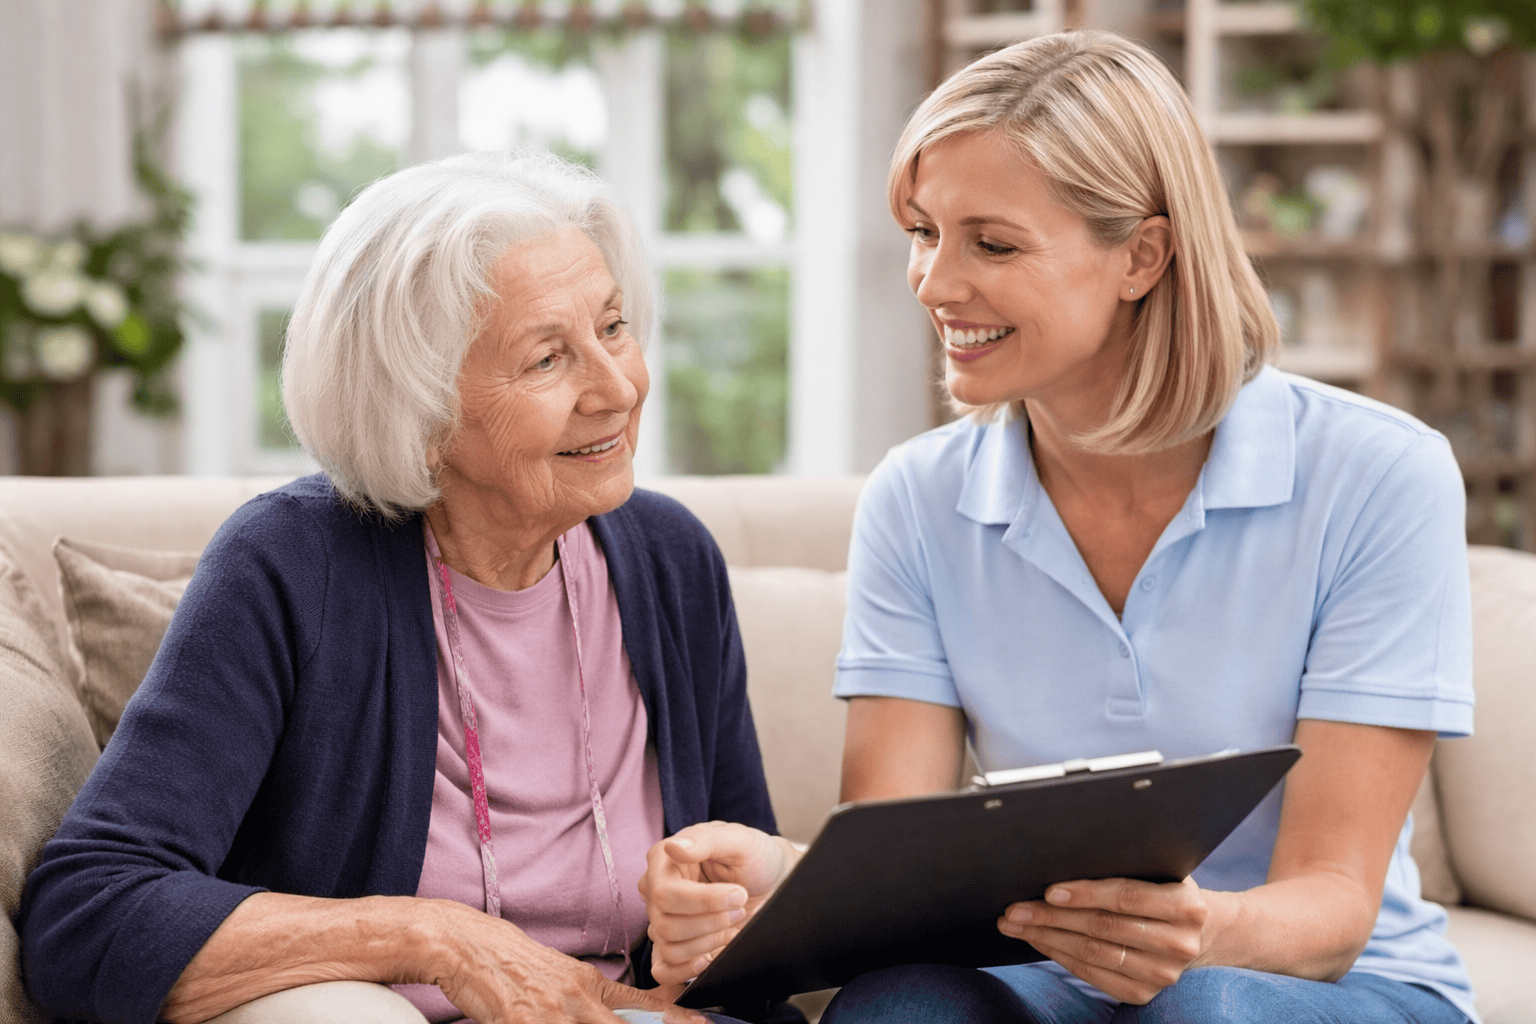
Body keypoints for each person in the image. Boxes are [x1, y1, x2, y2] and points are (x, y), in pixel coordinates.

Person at [639, 30, 1479, 1024]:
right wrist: (780, 871)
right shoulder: (918, 497)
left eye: (991, 243)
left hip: (1333, 985)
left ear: (1143, 255)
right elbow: (902, 858)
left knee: (1199, 1009)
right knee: (894, 1005)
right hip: (1044, 981)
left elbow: (1333, 906)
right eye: (923, 231)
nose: (936, 284)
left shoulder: (1379, 473)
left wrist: (1194, 931)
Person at [19, 150, 777, 1024]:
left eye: (612, 327)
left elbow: (751, 926)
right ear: (420, 417)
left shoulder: (670, 560)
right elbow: (90, 913)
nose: (619, 387)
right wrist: (439, 941)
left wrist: (716, 924)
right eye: (546, 360)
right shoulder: (291, 564)